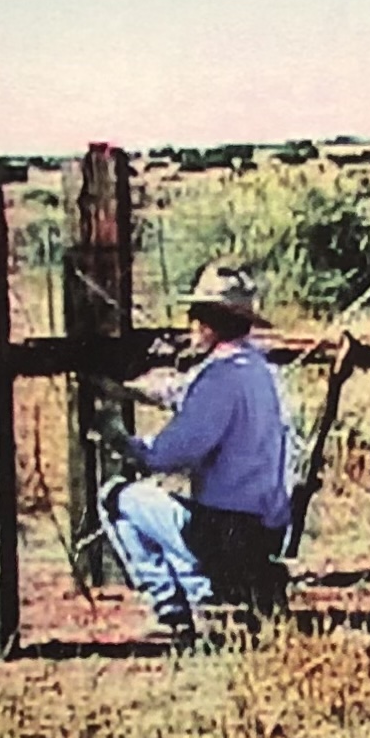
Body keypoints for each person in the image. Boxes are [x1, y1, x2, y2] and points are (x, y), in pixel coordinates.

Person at [99, 265, 293, 643]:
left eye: (196, 315)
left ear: (209, 322)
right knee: (173, 512)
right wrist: (127, 391)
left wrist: (121, 440)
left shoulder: (220, 377)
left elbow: (167, 454)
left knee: (117, 498)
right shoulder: (259, 369)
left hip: (228, 532)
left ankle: (177, 608)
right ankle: (202, 594)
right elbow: (182, 392)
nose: (191, 324)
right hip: (266, 528)